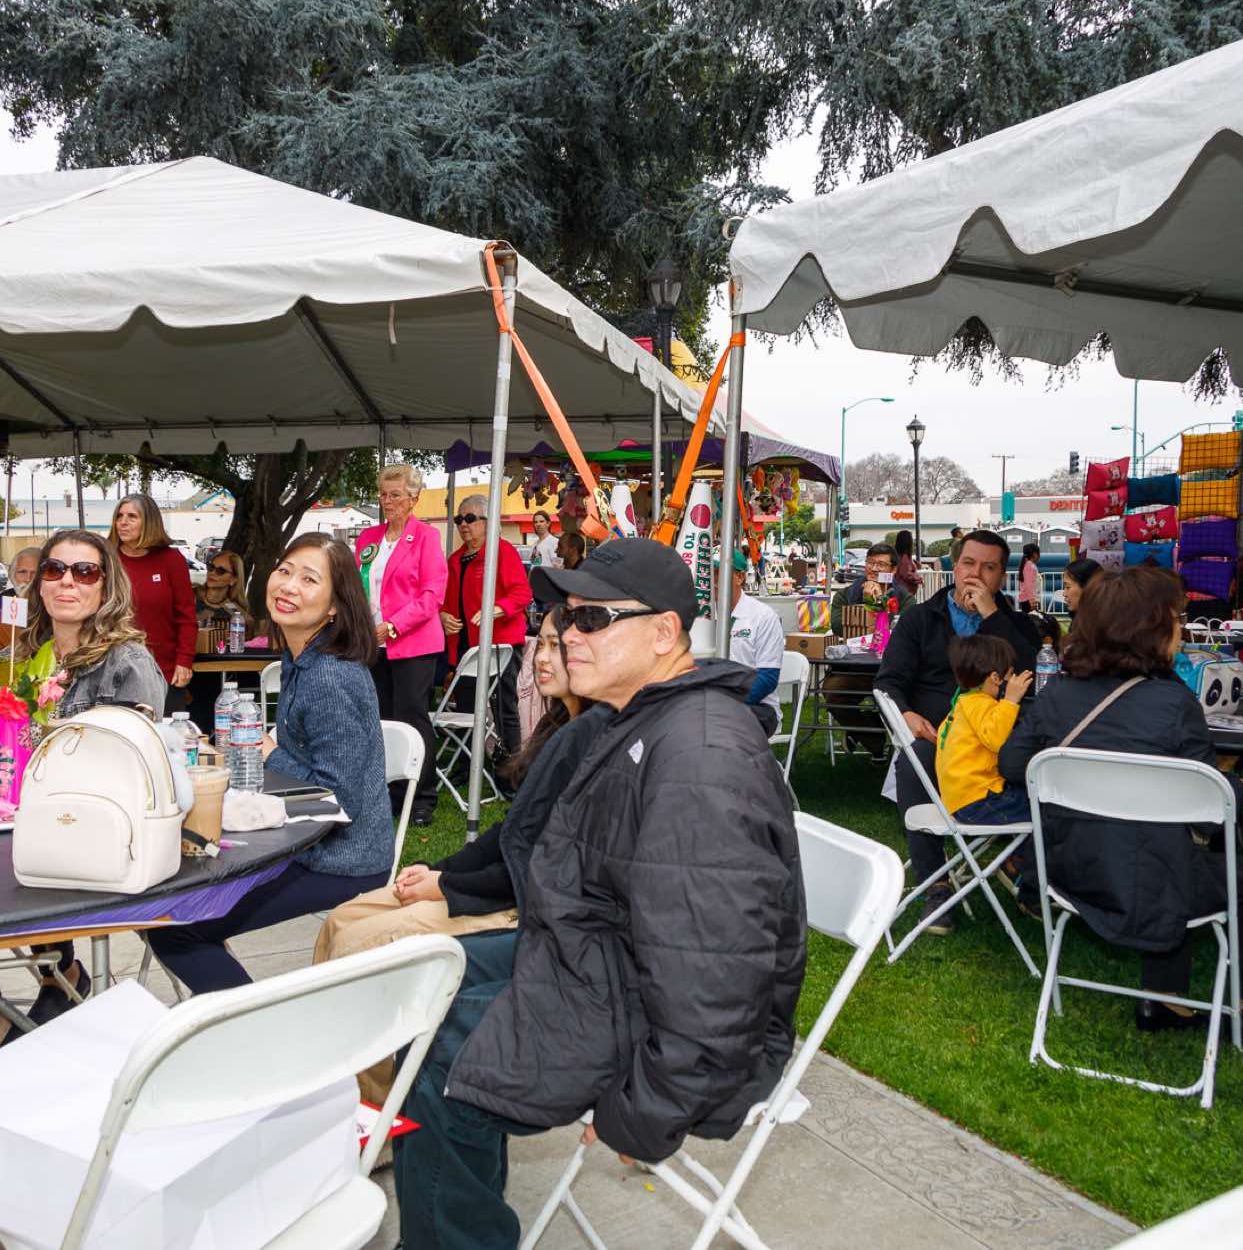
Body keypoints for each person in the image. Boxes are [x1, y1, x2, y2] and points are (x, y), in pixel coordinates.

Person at [393, 537, 805, 1248]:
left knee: (438, 1052)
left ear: (664, 633)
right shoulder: (637, 718)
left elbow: (715, 979)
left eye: (591, 618)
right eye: (566, 615)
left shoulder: (700, 758)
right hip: (599, 961)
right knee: (410, 986)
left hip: (646, 1011)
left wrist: (644, 1111)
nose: (567, 634)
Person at [311, 606, 609, 1100]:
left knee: (360, 948)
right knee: (341, 921)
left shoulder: (595, 743)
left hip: (522, 909)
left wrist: (446, 887)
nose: (542, 658)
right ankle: (328, 1085)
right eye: (541, 643)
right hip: (492, 887)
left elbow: (535, 867)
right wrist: (437, 869)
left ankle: (376, 1109)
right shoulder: (559, 727)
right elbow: (509, 834)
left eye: (558, 647)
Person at [998, 565, 1243, 1042]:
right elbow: (1210, 815)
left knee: (1166, 853)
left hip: (1066, 873)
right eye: (1175, 618)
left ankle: (1165, 998)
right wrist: (1236, 788)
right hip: (1150, 884)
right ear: (1151, 629)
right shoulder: (1173, 705)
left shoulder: (1057, 693)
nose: (1182, 627)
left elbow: (1014, 764)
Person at [0, 530, 167, 1065]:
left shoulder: (125, 661)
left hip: (86, 825)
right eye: (54, 570)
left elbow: (131, 764)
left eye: (84, 571)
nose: (67, 582)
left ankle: (59, 971)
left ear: (106, 586)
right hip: (14, 809)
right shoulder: (18, 656)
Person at [148, 533, 395, 991]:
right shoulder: (303, 658)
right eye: (285, 571)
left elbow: (339, 797)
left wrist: (266, 751)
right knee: (182, 894)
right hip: (306, 841)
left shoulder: (329, 676)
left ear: (335, 606)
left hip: (340, 860)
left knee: (177, 927)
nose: (288, 585)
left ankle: (254, 1024)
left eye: (309, 579)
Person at [877, 528, 1042, 925]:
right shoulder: (921, 618)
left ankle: (1025, 868)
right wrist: (906, 714)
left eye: (988, 568)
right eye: (968, 563)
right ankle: (936, 884)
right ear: (954, 566)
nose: (975, 574)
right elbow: (889, 682)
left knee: (1038, 767)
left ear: (1002, 577)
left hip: (998, 738)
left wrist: (991, 616)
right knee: (913, 759)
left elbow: (1032, 672)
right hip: (938, 736)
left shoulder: (1017, 624)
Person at [356, 464, 448, 825]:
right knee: (380, 719)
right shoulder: (368, 538)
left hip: (413, 644)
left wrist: (392, 627)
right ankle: (390, 793)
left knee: (411, 718)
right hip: (372, 644)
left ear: (413, 499)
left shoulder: (427, 536)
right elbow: (356, 587)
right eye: (383, 494)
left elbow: (432, 596)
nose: (388, 501)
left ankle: (422, 797)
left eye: (395, 495)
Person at [439, 495, 529, 767]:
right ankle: (467, 766)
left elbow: (522, 593)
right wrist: (442, 616)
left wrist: (496, 609)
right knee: (465, 708)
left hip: (499, 644)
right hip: (465, 647)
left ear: (488, 522)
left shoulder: (502, 551)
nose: (463, 525)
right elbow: (444, 602)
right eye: (459, 519)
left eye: (470, 518)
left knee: (503, 708)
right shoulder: (455, 559)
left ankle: (511, 769)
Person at [820, 542, 912, 758]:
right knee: (833, 691)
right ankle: (874, 739)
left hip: (891, 670)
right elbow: (838, 626)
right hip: (855, 669)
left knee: (911, 698)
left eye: (881, 564)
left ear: (893, 570)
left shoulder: (903, 598)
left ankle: (885, 737)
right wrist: (867, 605)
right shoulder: (846, 595)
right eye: (871, 563)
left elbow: (909, 629)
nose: (874, 569)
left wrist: (881, 603)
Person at [108, 492, 196, 712]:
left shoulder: (171, 560)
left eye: (132, 516)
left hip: (163, 670)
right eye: (119, 516)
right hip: (111, 669)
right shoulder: (107, 560)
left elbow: (186, 616)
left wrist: (184, 660)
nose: (123, 522)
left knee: (166, 731)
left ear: (149, 522)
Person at [937, 634, 1033, 823]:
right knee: (1045, 805)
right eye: (1010, 675)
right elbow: (996, 740)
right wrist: (1010, 701)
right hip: (981, 800)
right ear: (996, 678)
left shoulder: (963, 704)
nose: (1012, 680)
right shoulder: (981, 704)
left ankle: (1025, 843)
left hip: (960, 800)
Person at [186, 547, 251, 731]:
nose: (212, 573)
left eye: (220, 571)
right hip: (188, 669)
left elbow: (249, 629)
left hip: (217, 674)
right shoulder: (189, 595)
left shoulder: (235, 611)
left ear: (233, 579)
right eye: (211, 567)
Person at [725, 549, 788, 736]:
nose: (712, 581)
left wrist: (727, 703)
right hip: (714, 704)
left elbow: (767, 679)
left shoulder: (763, 616)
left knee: (719, 727)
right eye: (708, 574)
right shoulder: (703, 614)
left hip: (759, 706)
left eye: (718, 573)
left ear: (740, 577)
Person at [0, 547, 43, 662]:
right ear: (12, 576)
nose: (28, 579)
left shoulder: (59, 616)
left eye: (35, 573)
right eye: (22, 572)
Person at [892, 529, 923, 595]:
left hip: (899, 589)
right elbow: (905, 574)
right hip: (905, 592)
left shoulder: (897, 555)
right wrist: (917, 578)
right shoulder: (904, 557)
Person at [1018, 541, 1042, 609]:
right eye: (1039, 553)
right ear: (1034, 554)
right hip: (1028, 601)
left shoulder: (1027, 565)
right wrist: (1032, 601)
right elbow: (1029, 585)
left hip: (1027, 600)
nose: (1039, 556)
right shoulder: (1030, 566)